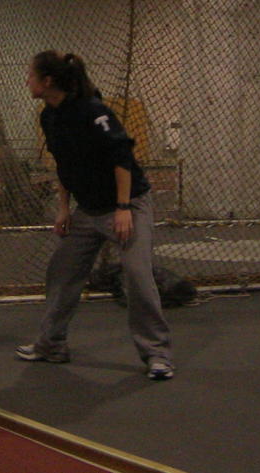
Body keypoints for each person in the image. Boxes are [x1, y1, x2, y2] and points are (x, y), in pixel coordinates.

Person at [16, 50, 174, 380]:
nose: (26, 81)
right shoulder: (49, 115)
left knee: (137, 275)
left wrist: (122, 208)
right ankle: (51, 344)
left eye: (30, 76)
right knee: (62, 271)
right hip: (87, 211)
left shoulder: (94, 112)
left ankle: (157, 354)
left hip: (127, 206)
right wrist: (63, 209)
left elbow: (122, 159)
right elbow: (63, 165)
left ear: (48, 81)